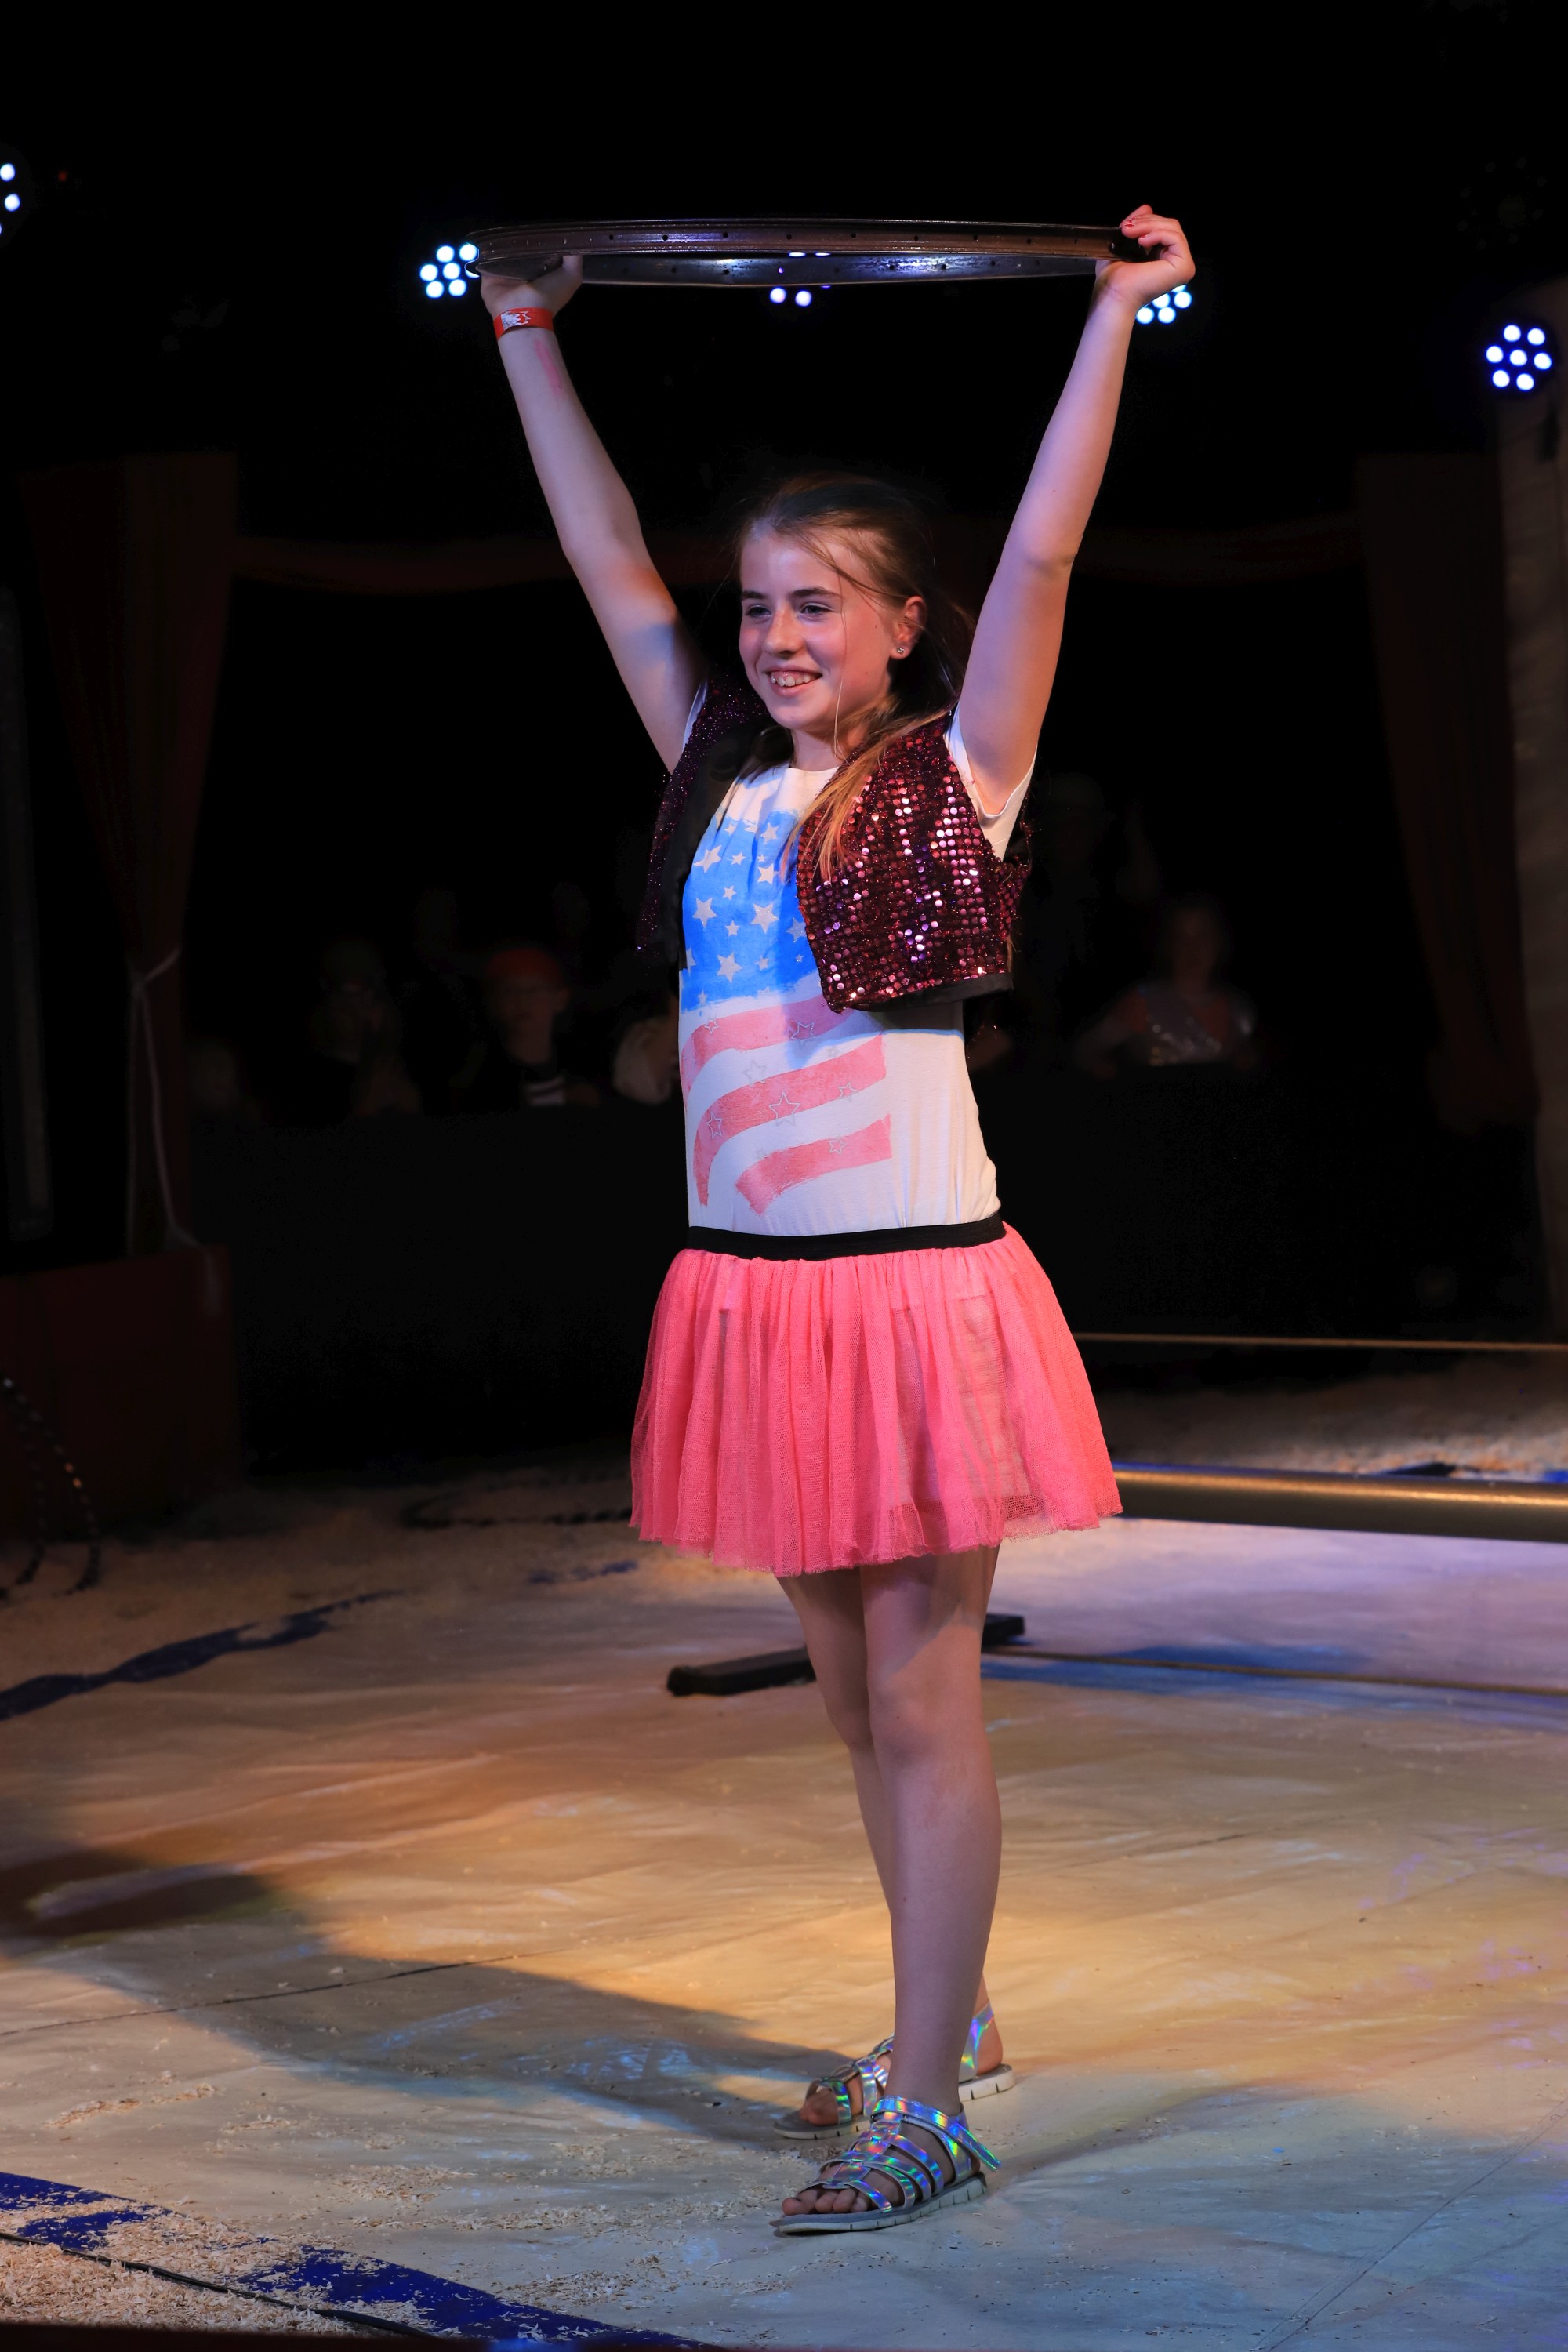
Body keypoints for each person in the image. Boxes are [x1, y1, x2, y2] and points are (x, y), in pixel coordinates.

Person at [481, 203, 1192, 2235]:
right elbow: (607, 565)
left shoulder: (958, 777)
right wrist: (525, 332)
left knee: (924, 1696)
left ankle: (935, 2102)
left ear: (900, 629)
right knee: (857, 1706)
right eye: (761, 605)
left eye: (820, 605)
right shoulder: (716, 785)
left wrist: (1113, 316)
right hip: (758, 1297)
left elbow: (1044, 555)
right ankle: (937, 2023)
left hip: (907, 1293)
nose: (779, 634)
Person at [1074, 893, 1259, 1077]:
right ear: (1169, 945)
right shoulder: (1145, 1001)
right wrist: (1101, 1067)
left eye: (1202, 936)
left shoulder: (1239, 1011)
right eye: (1181, 938)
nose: (1192, 948)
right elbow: (1086, 1050)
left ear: (1219, 942)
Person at [289, 938, 422, 1124]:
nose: (358, 1015)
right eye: (346, 1006)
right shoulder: (308, 1079)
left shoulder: (403, 1065)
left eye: (367, 1003)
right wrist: (365, 1110)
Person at [456, 944, 601, 1111]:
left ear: (560, 999)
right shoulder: (479, 1074)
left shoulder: (581, 1066)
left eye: (534, 989)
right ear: (494, 1003)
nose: (522, 1001)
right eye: (509, 991)